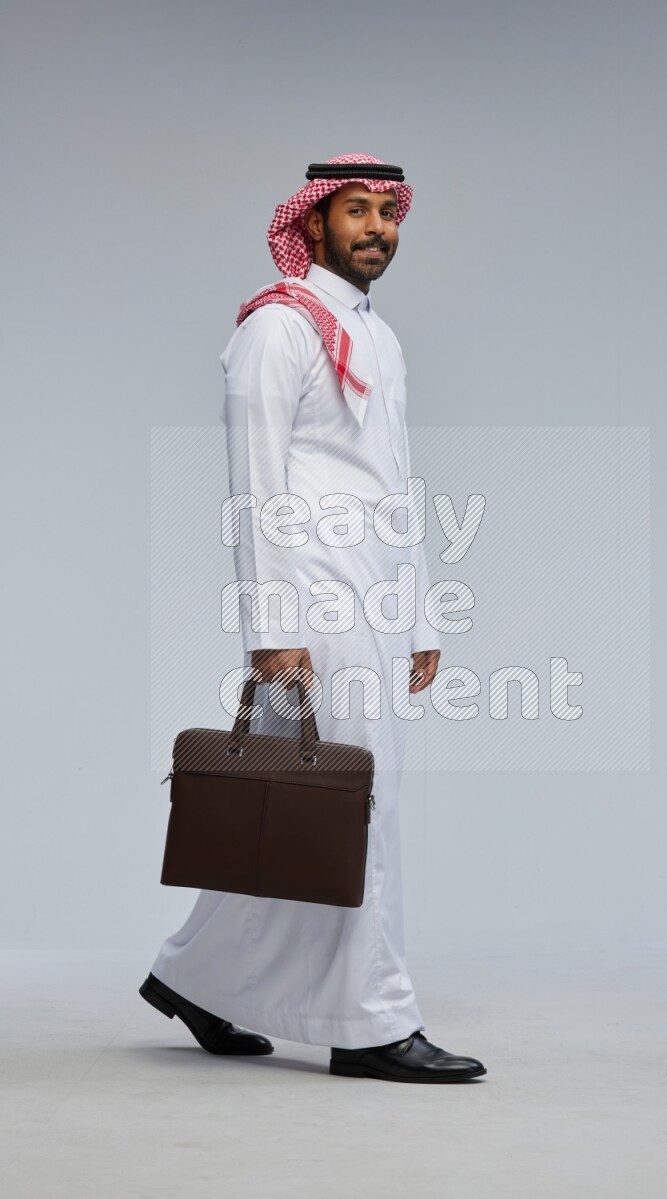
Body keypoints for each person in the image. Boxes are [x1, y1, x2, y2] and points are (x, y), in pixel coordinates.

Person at [140, 153, 487, 1083]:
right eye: (357, 212)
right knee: (355, 807)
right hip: (315, 600)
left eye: (388, 213)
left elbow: (393, 484)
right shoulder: (281, 328)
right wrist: (271, 632)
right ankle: (371, 1022)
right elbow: (254, 488)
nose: (378, 229)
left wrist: (416, 614)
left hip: (374, 595)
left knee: (306, 804)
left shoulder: (379, 335)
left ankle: (197, 977)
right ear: (316, 222)